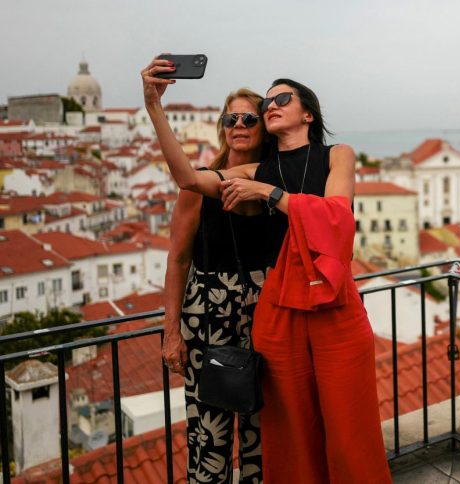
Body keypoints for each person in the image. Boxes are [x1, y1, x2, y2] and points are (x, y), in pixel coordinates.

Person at [141, 56, 391, 484]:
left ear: (307, 112)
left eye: (280, 99)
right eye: (266, 101)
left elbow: (336, 219)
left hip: (328, 302)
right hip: (276, 311)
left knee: (347, 427)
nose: (269, 105)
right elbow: (187, 179)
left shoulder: (335, 155)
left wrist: (268, 193)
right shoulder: (254, 171)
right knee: (288, 433)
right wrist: (153, 105)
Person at [143, 60, 270, 482]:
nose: (239, 123)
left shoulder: (274, 185)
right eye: (230, 117)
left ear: (263, 126)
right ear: (221, 126)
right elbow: (178, 260)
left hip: (266, 321)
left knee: (263, 435)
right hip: (208, 320)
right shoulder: (199, 187)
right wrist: (171, 331)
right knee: (208, 436)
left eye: (249, 117)